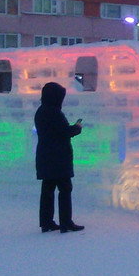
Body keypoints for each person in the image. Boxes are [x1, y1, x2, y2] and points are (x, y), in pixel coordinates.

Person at [34, 82, 84, 234]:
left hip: (45, 156)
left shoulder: (41, 111)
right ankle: (66, 222)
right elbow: (65, 132)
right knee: (65, 189)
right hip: (58, 158)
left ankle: (46, 222)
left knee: (47, 190)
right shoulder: (54, 113)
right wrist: (77, 127)